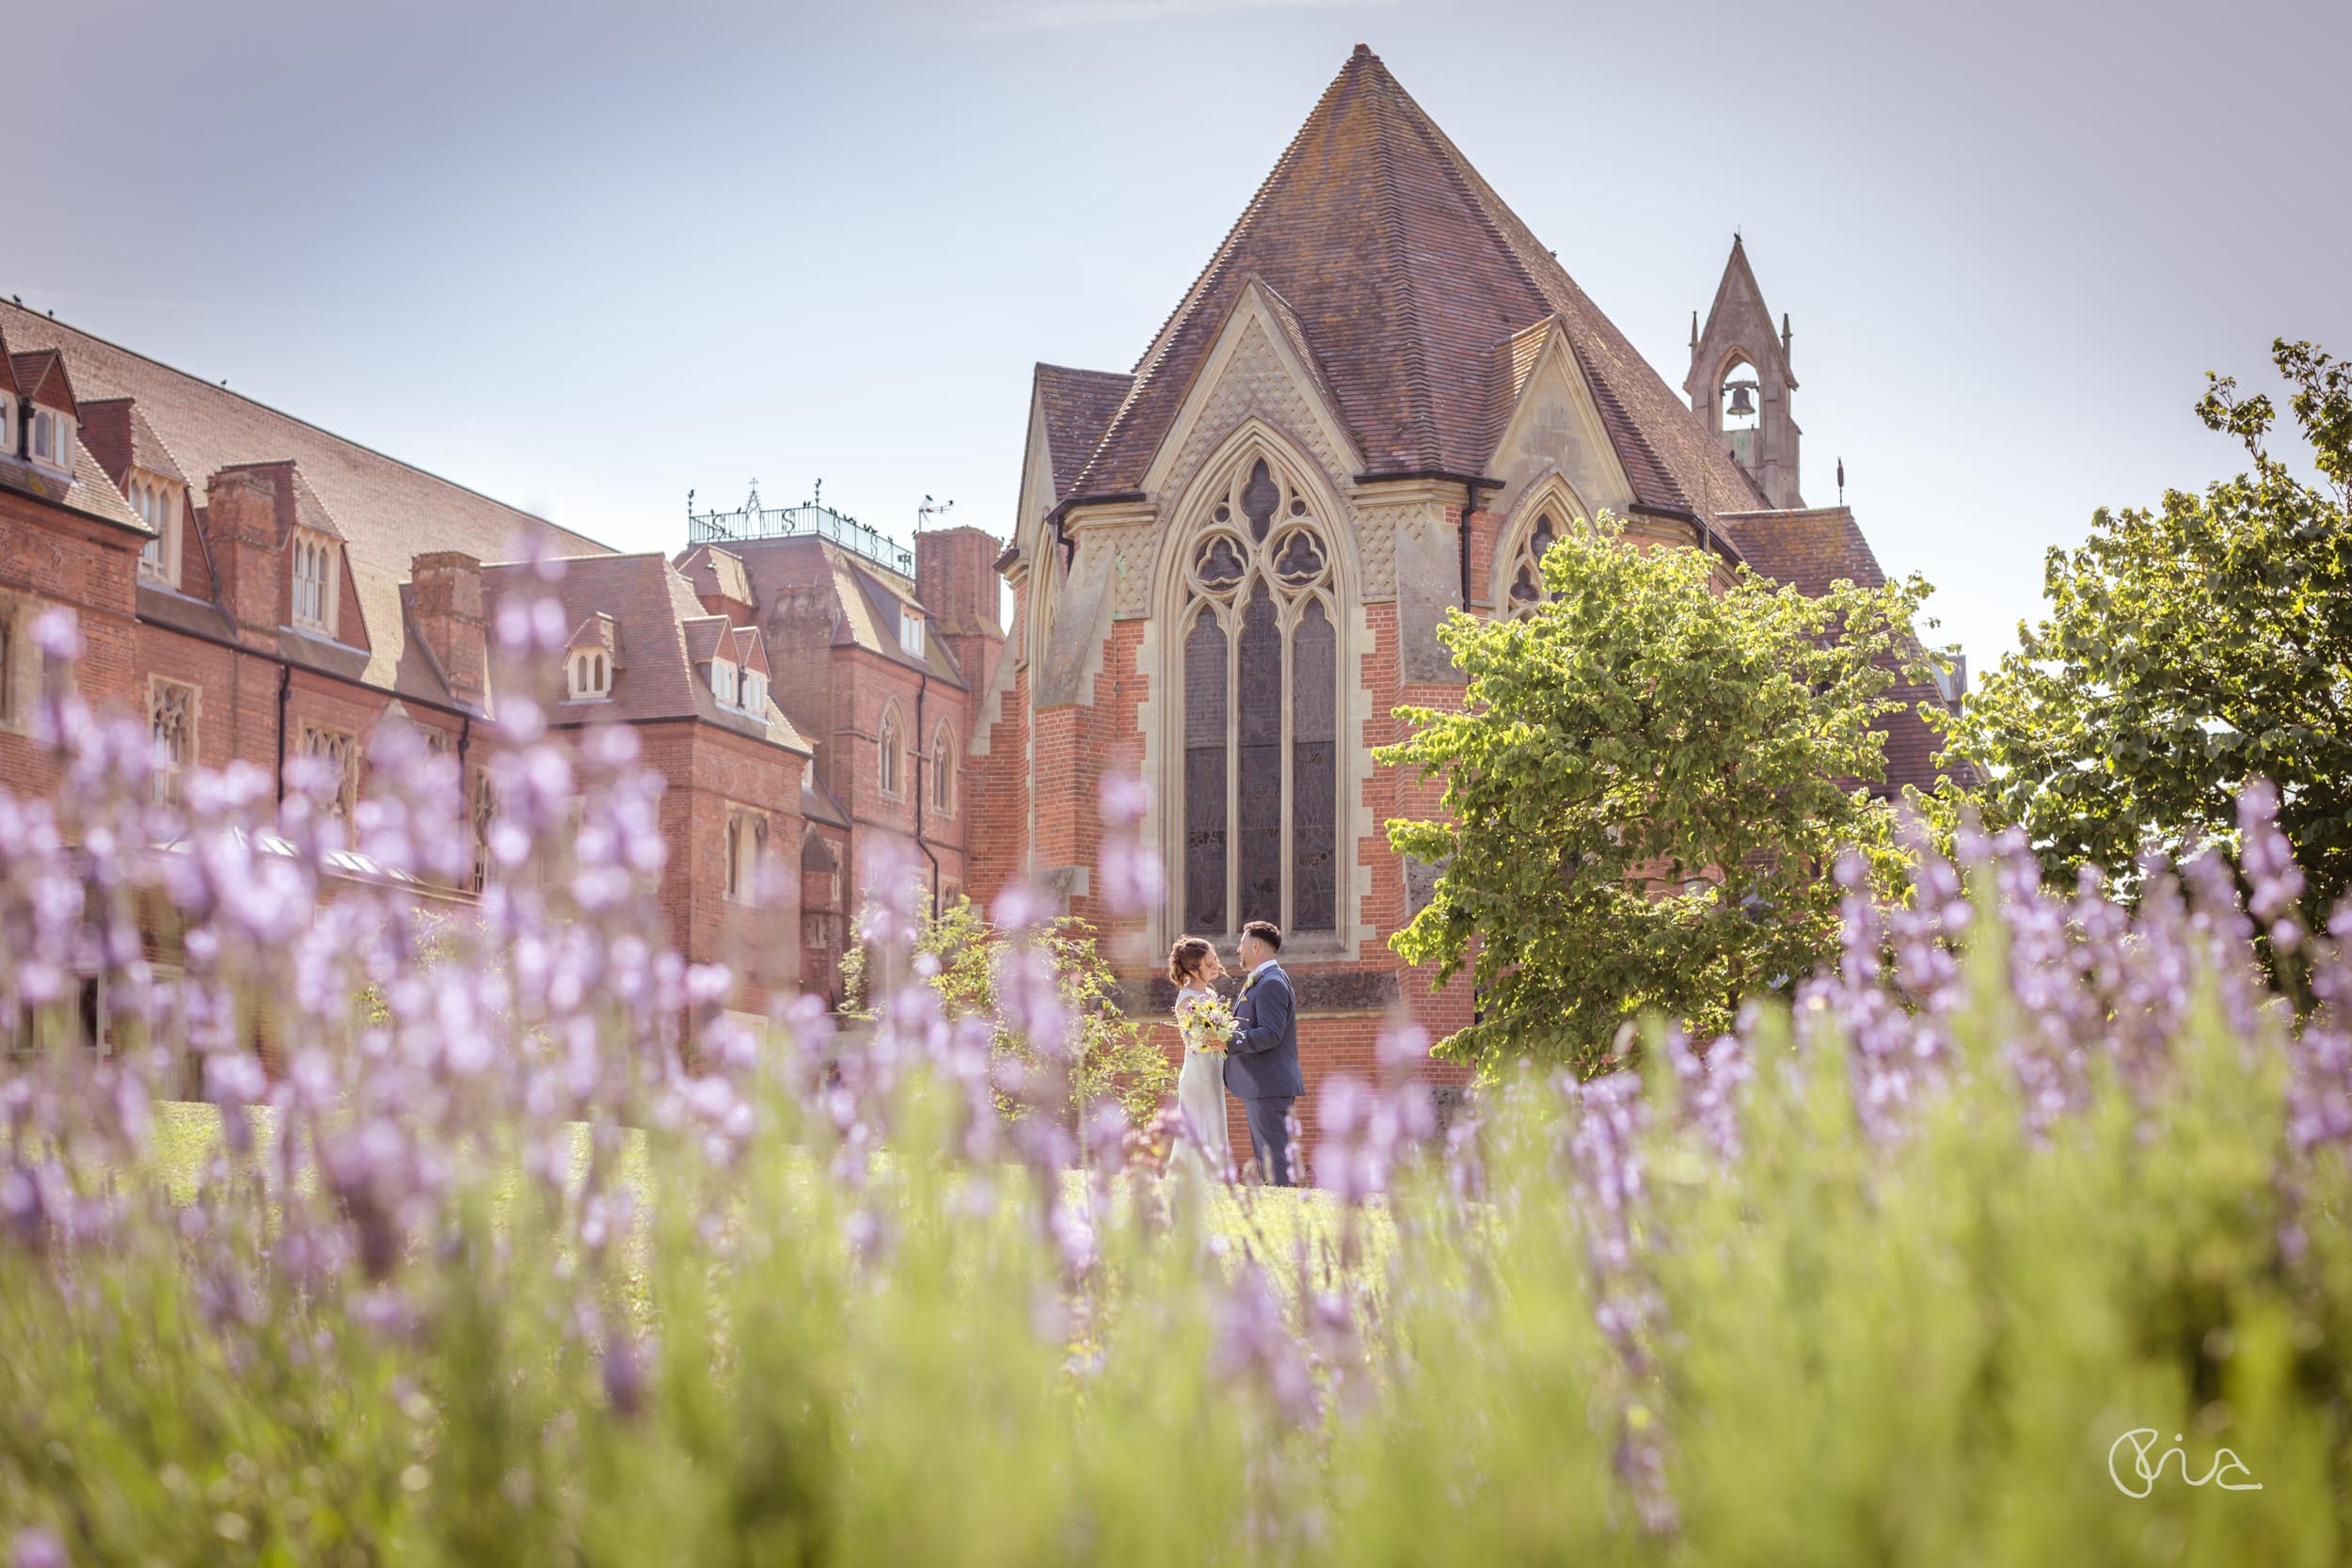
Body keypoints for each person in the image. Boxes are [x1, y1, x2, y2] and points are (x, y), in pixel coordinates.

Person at [1223, 920, 1303, 1186]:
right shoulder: (1264, 980)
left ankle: (1284, 1203)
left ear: (1256, 946)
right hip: (1262, 1083)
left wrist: (1227, 1041)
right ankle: (1278, 1199)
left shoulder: (1271, 983)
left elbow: (1270, 1034)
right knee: (1268, 1153)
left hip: (1268, 1083)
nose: (1238, 950)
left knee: (1274, 1154)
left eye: (1242, 943)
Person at [1166, 936, 1232, 1183]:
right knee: (1197, 1125)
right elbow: (1194, 1040)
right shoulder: (1187, 1000)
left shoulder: (1212, 994)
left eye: (1215, 960)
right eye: (1209, 963)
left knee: (1214, 1120)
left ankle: (1216, 1178)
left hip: (1214, 1069)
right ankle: (1192, 1180)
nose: (1216, 966)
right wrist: (1216, 1034)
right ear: (1193, 969)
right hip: (1198, 1072)